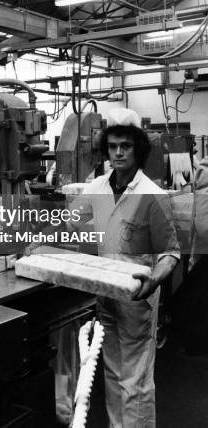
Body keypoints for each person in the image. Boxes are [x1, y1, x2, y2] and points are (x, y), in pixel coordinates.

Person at [77, 108, 180, 428]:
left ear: (138, 149)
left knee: (135, 380)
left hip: (138, 297)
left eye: (126, 146)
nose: (118, 153)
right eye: (112, 146)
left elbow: (170, 252)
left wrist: (153, 280)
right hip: (106, 294)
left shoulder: (152, 194)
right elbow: (68, 223)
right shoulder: (95, 189)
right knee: (112, 372)